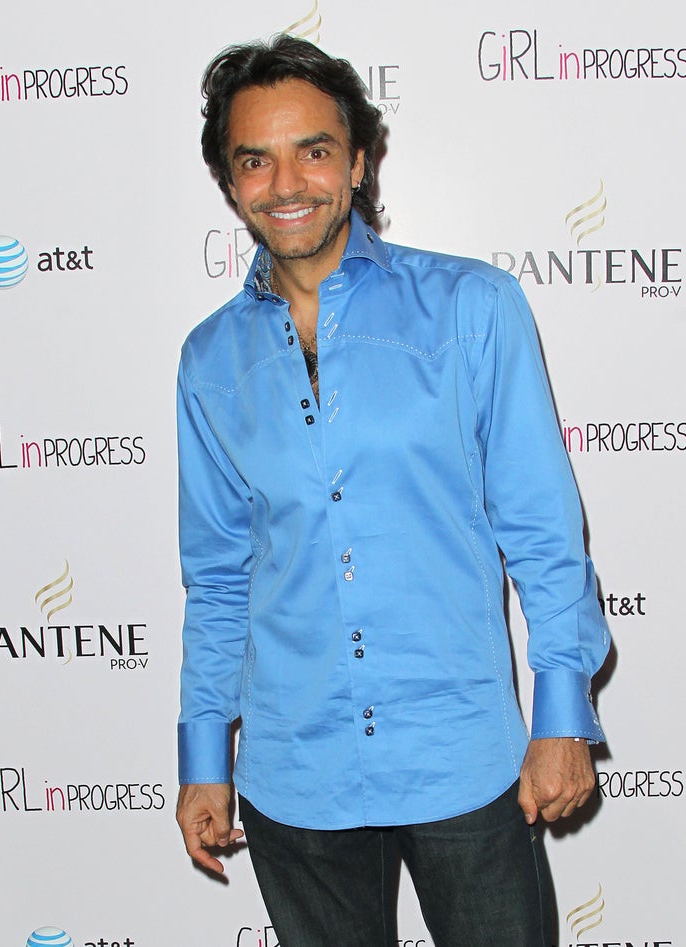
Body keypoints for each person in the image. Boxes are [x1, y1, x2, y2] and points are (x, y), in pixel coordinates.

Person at [175, 34, 610, 947]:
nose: (287, 183)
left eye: (314, 150)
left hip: (462, 756)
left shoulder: (472, 308)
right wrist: (204, 757)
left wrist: (562, 712)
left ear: (359, 160)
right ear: (230, 180)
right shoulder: (208, 359)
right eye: (256, 158)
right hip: (296, 774)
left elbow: (540, 525)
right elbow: (219, 576)